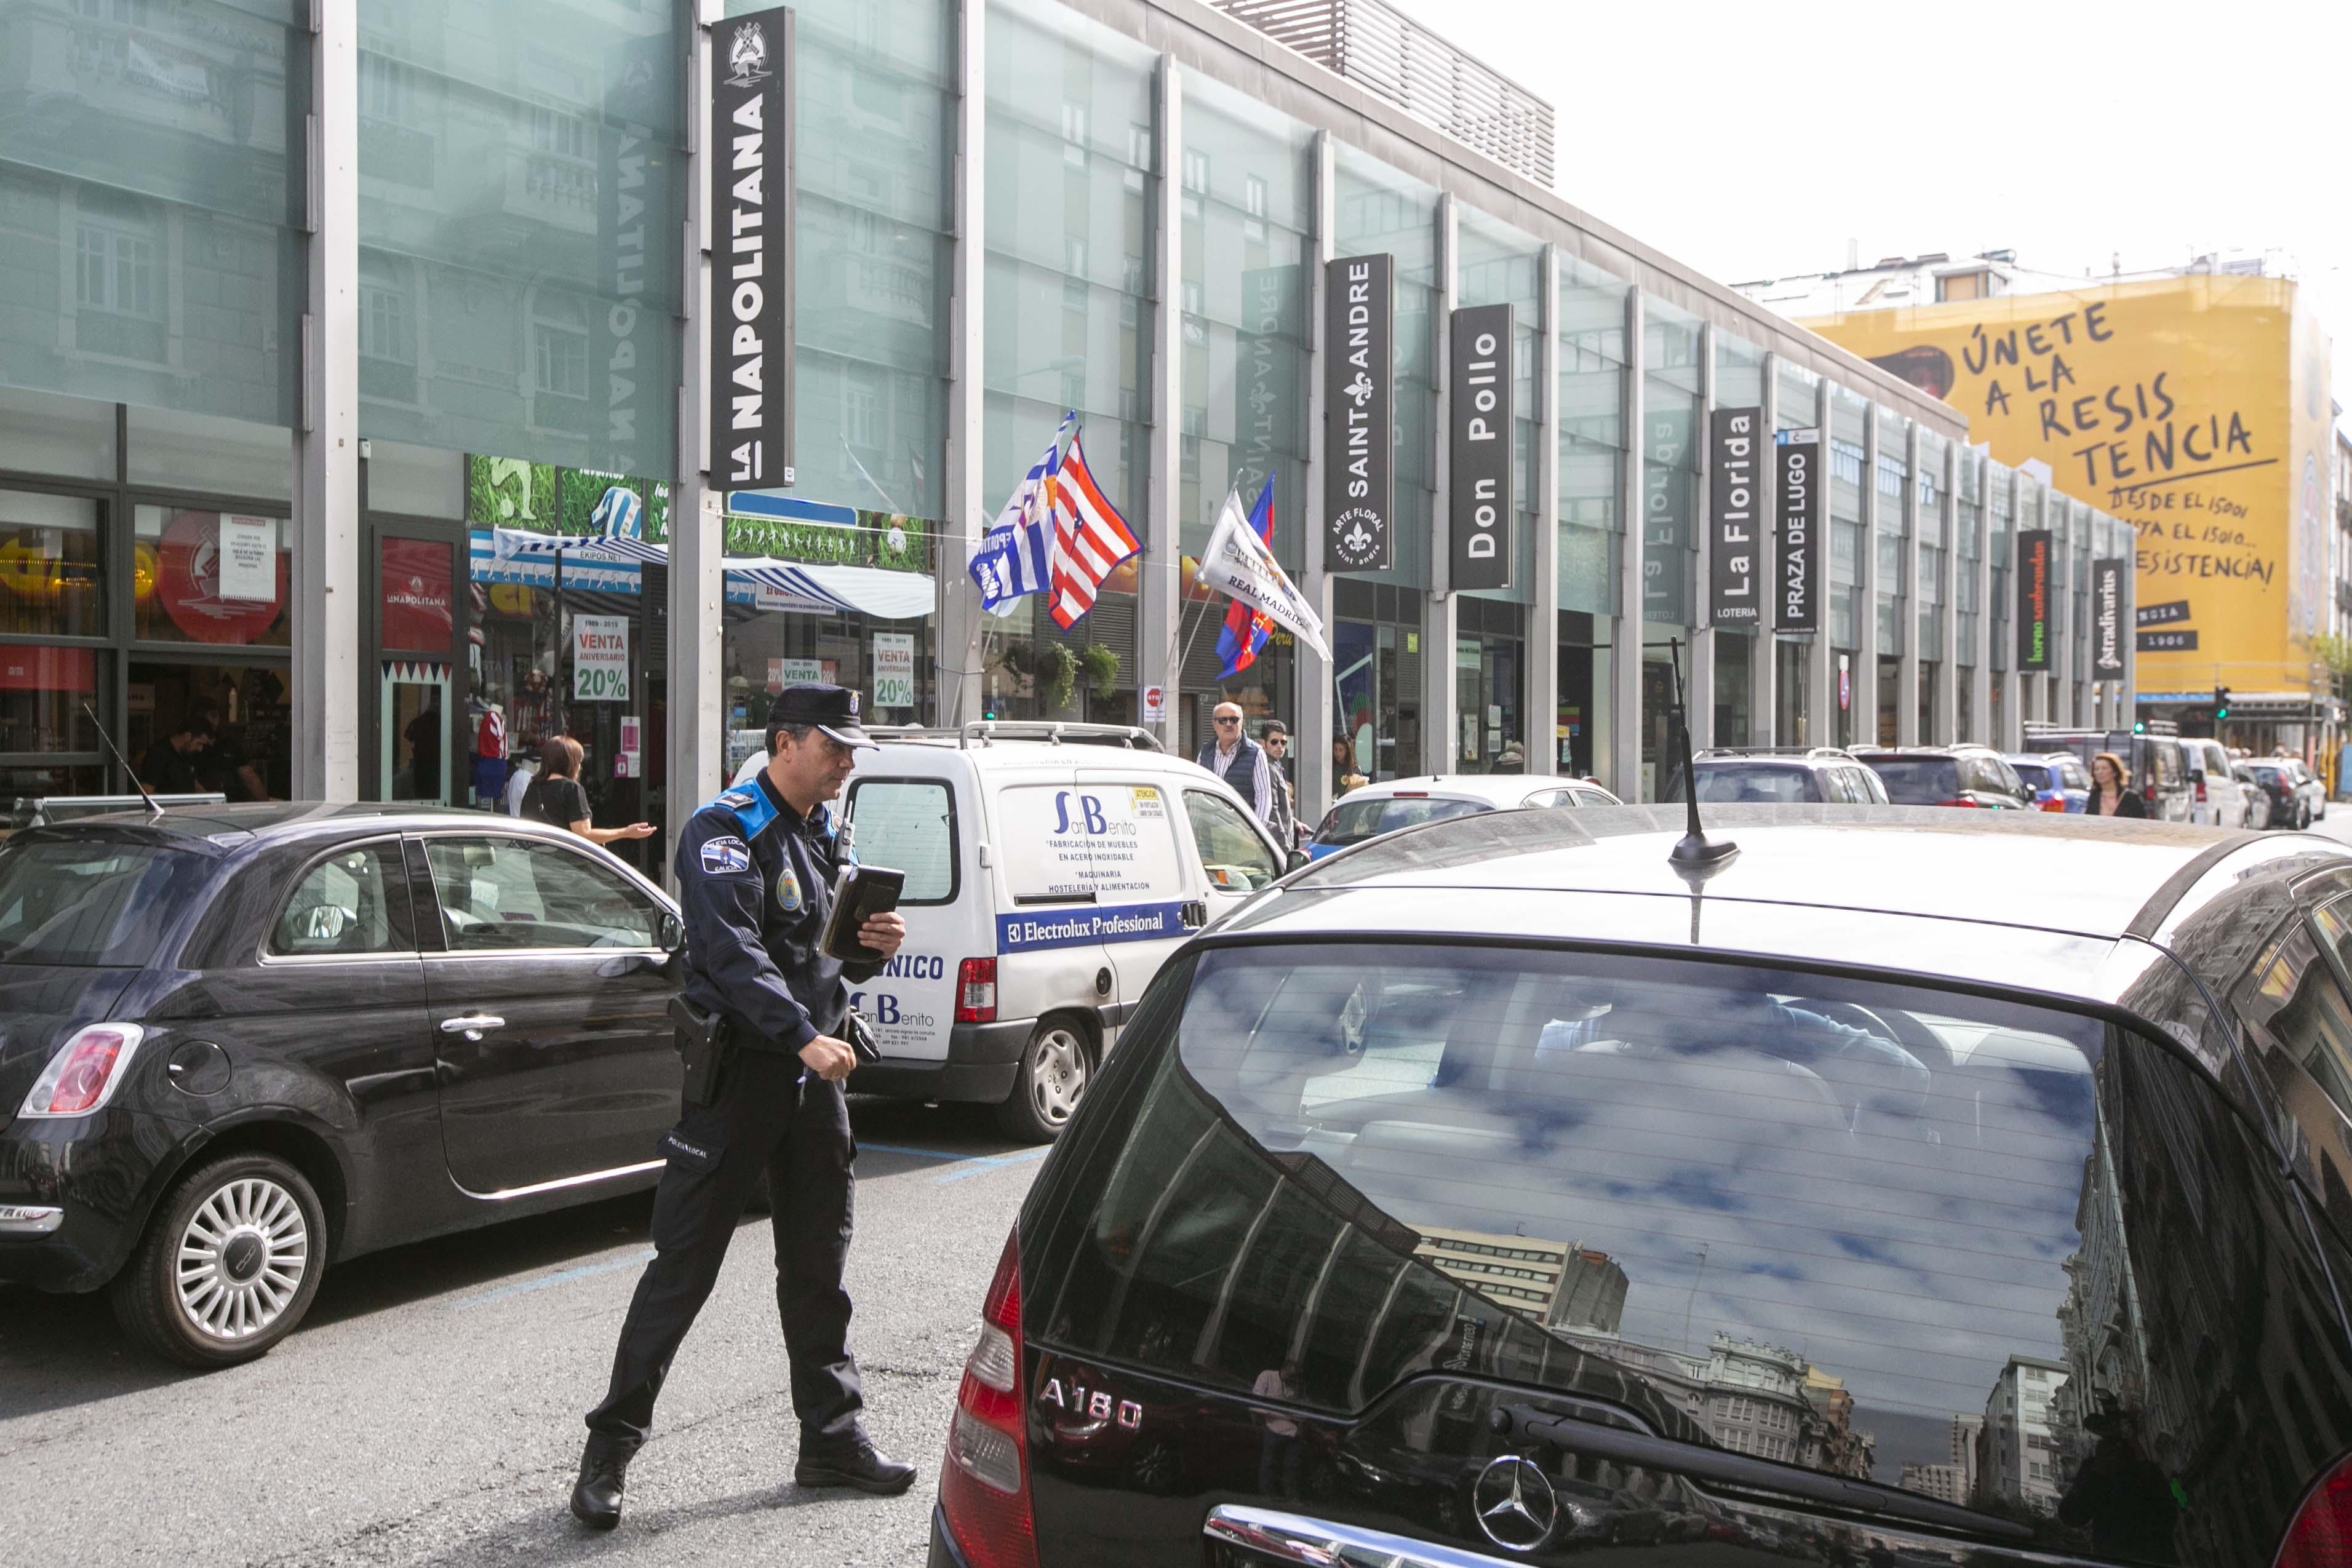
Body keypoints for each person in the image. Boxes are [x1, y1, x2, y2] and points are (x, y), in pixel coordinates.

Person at [572, 685, 912, 1530]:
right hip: (743, 1078)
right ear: (785, 742)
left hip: (812, 1078)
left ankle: (830, 1439)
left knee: (817, 1266)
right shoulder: (722, 828)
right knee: (682, 1270)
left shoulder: (830, 831)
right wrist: (802, 1033)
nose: (845, 762)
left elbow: (824, 955)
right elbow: (731, 954)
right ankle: (608, 1448)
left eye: (850, 748)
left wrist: (872, 952)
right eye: (833, 746)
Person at [522, 736, 655, 846]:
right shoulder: (571, 789)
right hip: (566, 868)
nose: (580, 767)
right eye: (579, 762)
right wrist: (625, 832)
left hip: (538, 864)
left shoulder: (533, 787)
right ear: (571, 763)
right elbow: (584, 834)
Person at [1195, 701, 1277, 829]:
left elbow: (1263, 797)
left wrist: (1255, 833)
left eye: (1234, 720)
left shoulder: (1255, 753)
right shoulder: (1205, 752)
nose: (1229, 724)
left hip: (1240, 834)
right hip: (1209, 831)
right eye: (1223, 720)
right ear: (1214, 724)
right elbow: (1197, 795)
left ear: (1242, 723)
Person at [1259, 720, 1301, 848]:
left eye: (1283, 742)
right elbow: (1273, 811)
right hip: (1275, 845)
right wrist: (1284, 847)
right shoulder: (1268, 768)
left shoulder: (1276, 766)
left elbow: (1282, 809)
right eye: (1274, 742)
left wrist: (1294, 822)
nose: (1280, 746)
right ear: (1263, 744)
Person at [142, 718, 211, 795]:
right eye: (199, 743)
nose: (200, 749)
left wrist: (210, 797)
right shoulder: (158, 754)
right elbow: (146, 792)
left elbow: (194, 784)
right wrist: (175, 802)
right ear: (187, 736)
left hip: (188, 806)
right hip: (166, 806)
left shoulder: (189, 753)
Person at [2087, 751, 2147, 818]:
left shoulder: (2131, 798)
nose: (2100, 772)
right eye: (2096, 769)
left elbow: (2142, 822)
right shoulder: (2094, 796)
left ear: (2115, 772)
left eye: (2104, 768)